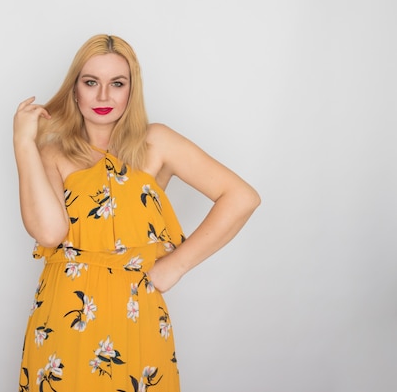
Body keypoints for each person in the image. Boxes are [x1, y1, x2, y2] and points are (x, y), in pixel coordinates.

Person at [13, 34, 260, 392]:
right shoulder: (53, 154)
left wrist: (176, 265)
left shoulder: (155, 143)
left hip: (136, 312)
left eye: (117, 83)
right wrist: (24, 143)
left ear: (132, 89)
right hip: (65, 315)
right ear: (75, 90)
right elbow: (49, 234)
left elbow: (241, 197)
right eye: (91, 82)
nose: (103, 96)